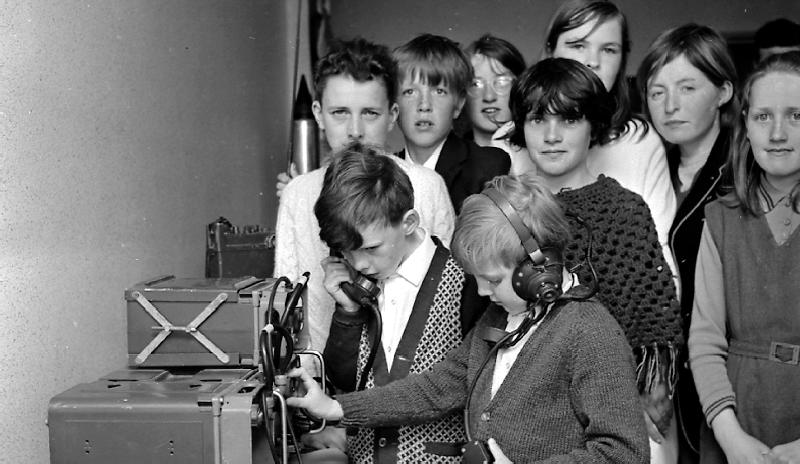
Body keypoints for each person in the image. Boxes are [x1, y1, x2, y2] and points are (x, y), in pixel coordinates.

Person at [287, 174, 650, 463]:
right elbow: (437, 387)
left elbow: (624, 453)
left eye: (491, 280)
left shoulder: (589, 331)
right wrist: (336, 407)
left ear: (538, 269)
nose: (480, 292)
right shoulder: (502, 316)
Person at [507, 57, 684, 462]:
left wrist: (651, 388)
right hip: (527, 409)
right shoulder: (505, 208)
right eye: (537, 120)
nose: (551, 135)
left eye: (569, 120)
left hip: (610, 406)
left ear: (593, 127)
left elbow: (650, 332)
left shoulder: (624, 210)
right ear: (522, 127)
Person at [274, 38, 455, 356]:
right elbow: (285, 294)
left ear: (392, 114)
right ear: (318, 114)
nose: (354, 130)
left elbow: (449, 290)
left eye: (370, 113)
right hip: (320, 371)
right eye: (340, 112)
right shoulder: (297, 194)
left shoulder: (427, 187)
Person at [309, 145, 487, 462]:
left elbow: (470, 389)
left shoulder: (467, 282)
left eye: (371, 248)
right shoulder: (360, 288)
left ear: (408, 222)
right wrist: (347, 314)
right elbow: (347, 387)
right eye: (346, 251)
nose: (359, 263)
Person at [688, 50, 800, 464]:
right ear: (746, 127)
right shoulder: (721, 219)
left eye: (796, 116)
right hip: (734, 418)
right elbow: (705, 339)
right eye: (763, 117)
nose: (777, 133)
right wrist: (730, 437)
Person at [636, 24, 739, 463]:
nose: (670, 105)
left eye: (687, 87)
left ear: (723, 92)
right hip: (661, 377)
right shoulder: (650, 168)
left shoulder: (744, 172)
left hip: (726, 376)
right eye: (657, 93)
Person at [543, 0, 677, 275]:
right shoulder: (509, 141)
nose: (593, 61)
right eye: (578, 45)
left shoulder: (640, 141)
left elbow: (659, 252)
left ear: (622, 61)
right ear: (550, 51)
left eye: (608, 49)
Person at [392, 33, 510, 213]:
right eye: (410, 92)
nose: (424, 105)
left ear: (459, 103)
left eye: (439, 91)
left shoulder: (487, 166)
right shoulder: (384, 171)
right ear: (394, 105)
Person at [463, 34, 536, 175]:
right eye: (475, 84)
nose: (489, 96)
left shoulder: (544, 152)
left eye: (502, 82)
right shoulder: (451, 161)